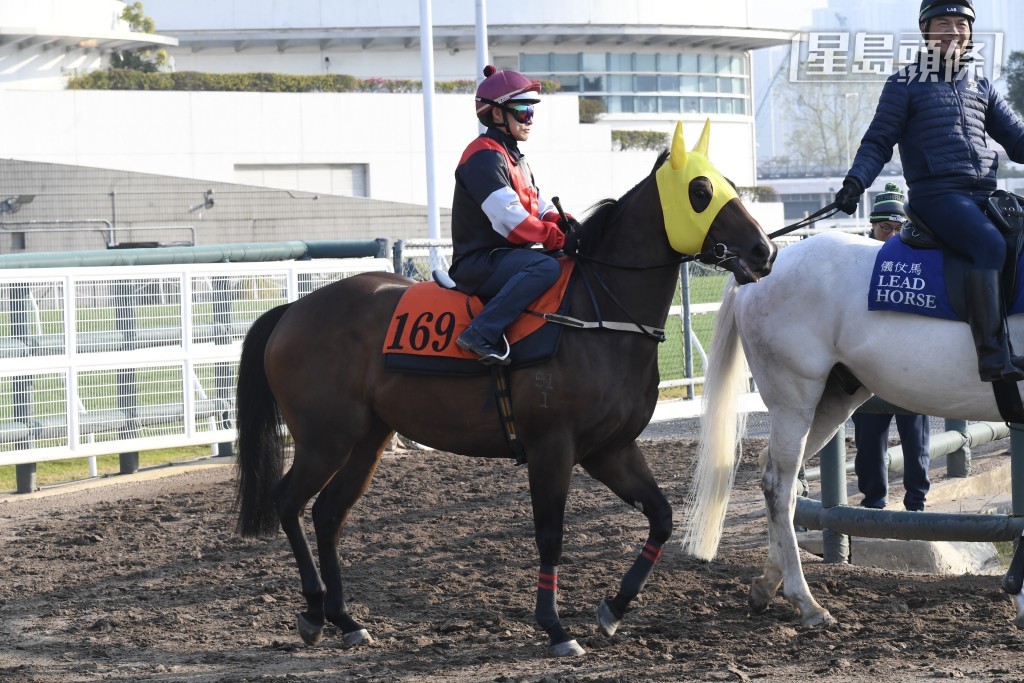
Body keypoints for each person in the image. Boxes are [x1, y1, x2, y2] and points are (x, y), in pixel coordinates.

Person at [834, 0, 1024, 383]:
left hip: (986, 193)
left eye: (961, 24)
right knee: (989, 245)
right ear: (925, 31)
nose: (953, 31)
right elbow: (878, 141)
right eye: (943, 23)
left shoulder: (982, 84)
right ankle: (992, 355)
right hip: (937, 195)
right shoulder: (903, 84)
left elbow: (1017, 140)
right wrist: (856, 182)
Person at [449, 65, 578, 365]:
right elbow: (512, 220)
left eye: (532, 113)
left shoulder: (514, 156)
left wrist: (564, 222)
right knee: (545, 269)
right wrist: (553, 235)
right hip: (478, 263)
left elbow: (538, 204)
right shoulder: (482, 156)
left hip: (504, 258)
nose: (530, 120)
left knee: (564, 260)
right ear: (497, 115)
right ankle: (481, 333)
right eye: (523, 112)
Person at [852, 184, 931, 512]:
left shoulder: (920, 261)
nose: (893, 235)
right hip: (867, 371)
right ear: (872, 226)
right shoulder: (853, 264)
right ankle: (874, 508)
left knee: (916, 445)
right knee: (869, 446)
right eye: (886, 228)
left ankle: (917, 506)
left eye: (900, 229)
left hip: (910, 369)